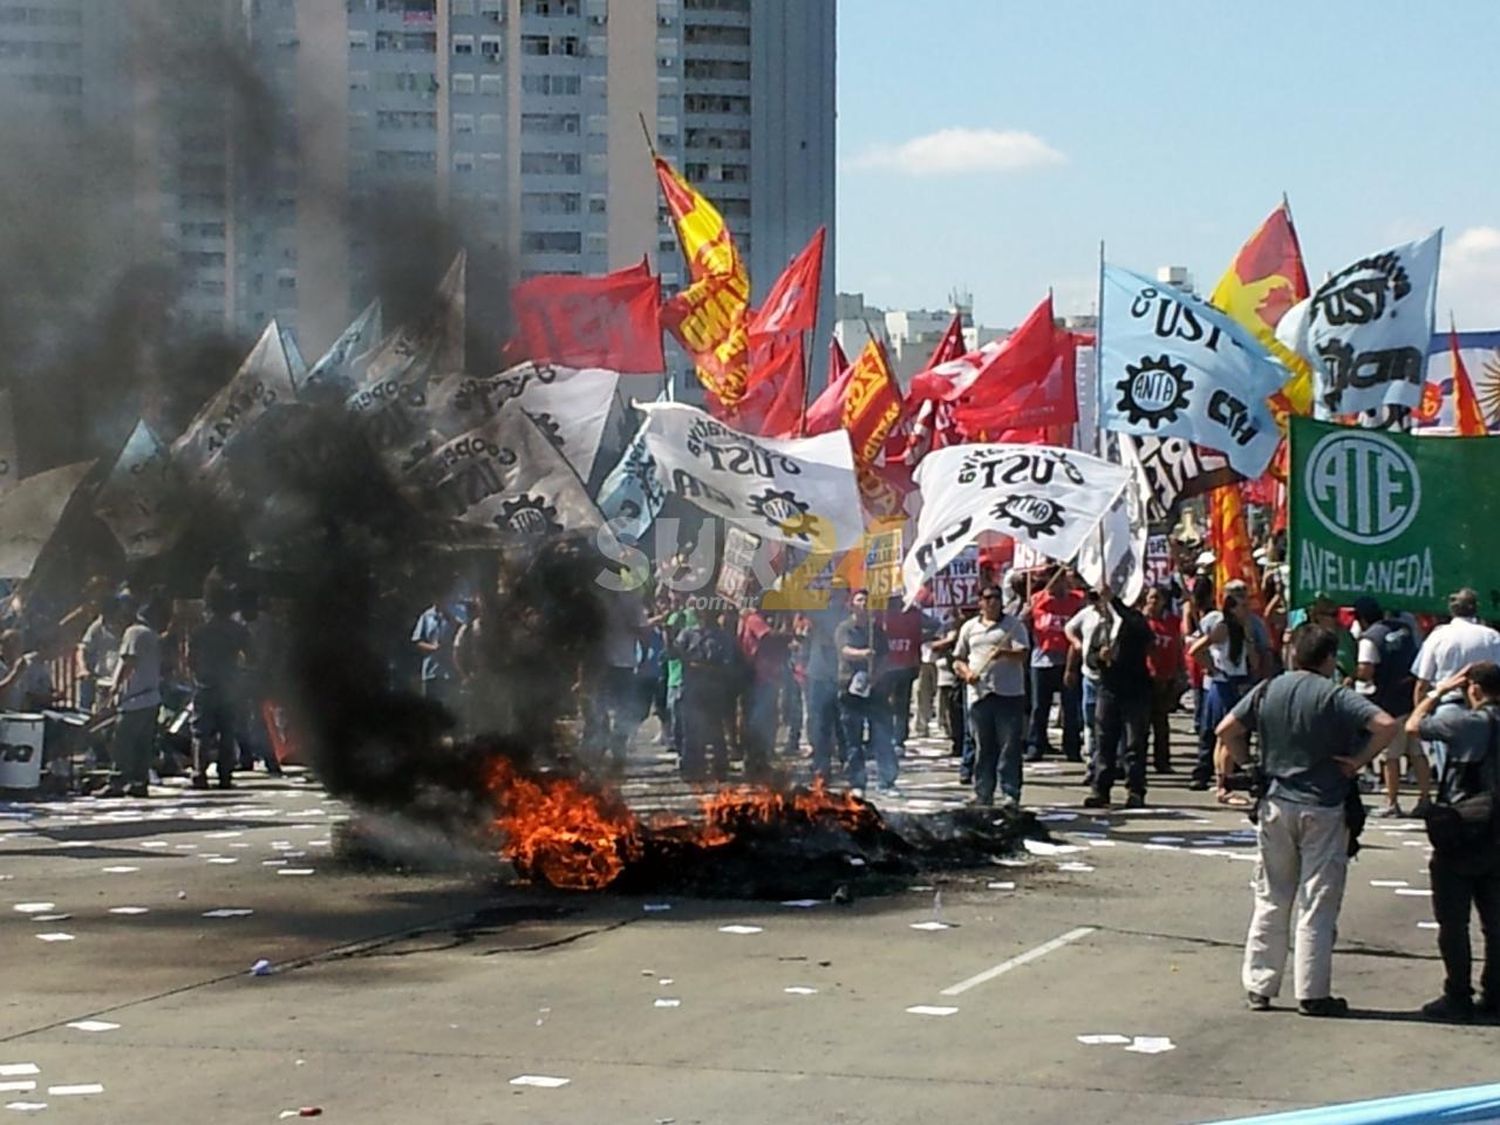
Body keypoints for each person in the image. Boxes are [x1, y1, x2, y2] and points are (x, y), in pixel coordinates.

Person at [1217, 625, 1399, 1017]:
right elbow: (1386, 725)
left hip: (1275, 803)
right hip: (1324, 805)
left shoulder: (1268, 690)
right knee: (1317, 901)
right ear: (1329, 659)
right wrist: (1358, 761)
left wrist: (1250, 766)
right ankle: (1312, 991)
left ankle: (1259, 985)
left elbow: (1227, 730)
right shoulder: (1334, 695)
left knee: (1271, 895)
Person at [1404, 661, 1500, 1021]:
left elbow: (1414, 726)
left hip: (1462, 830)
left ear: (1473, 688)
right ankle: (1495, 993)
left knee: (1454, 922)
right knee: (1495, 922)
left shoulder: (1466, 722)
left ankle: (1457, 994)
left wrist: (1439, 691)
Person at [954, 585, 1029, 808]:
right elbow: (958, 658)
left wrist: (1005, 652)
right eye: (988, 598)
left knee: (1009, 747)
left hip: (1008, 694)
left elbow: (1023, 654)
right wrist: (966, 673)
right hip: (980, 696)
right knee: (983, 747)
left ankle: (1010, 794)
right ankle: (983, 792)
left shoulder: (1013, 626)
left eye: (996, 598)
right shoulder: (969, 628)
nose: (993, 602)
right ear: (980, 602)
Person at [1353, 596, 1425, 818]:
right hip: (1411, 698)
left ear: (1361, 618)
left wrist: (1351, 675)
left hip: (1389, 703)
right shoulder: (1404, 628)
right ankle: (1426, 800)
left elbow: (1365, 671)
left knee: (1390, 755)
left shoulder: (1369, 639)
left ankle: (1392, 803)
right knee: (1416, 752)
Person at [1085, 589, 1154, 810]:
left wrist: (1114, 600)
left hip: (1135, 689)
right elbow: (1090, 658)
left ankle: (1135, 790)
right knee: (1104, 740)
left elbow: (1144, 635)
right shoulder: (1102, 628)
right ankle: (1101, 789)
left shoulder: (1134, 621)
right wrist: (1099, 658)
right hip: (1109, 689)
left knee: (1134, 743)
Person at [1188, 592, 1255, 792]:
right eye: (1242, 606)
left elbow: (1253, 659)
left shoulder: (1242, 628)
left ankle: (1223, 782)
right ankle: (1224, 784)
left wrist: (1249, 637)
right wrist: (1213, 668)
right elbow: (1195, 650)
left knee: (1229, 737)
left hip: (1240, 680)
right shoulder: (1223, 627)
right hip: (1225, 683)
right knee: (1228, 735)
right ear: (1232, 608)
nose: (1246, 610)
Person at [189, 582, 252, 790]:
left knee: (201, 733)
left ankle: (199, 774)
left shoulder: (199, 631)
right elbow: (252, 657)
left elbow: (190, 659)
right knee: (228, 731)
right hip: (230, 687)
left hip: (205, 685)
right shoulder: (239, 630)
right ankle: (225, 775)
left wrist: (197, 675)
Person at [102, 596, 164, 799]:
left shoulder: (133, 632)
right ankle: (139, 781)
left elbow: (128, 662)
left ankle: (117, 780)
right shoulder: (151, 633)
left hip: (135, 698)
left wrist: (114, 688)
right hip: (151, 697)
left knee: (122, 741)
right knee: (142, 744)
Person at [835, 589, 895, 796]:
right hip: (850, 690)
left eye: (867, 600)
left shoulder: (877, 630)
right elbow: (844, 651)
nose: (864, 603)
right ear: (851, 604)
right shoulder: (844, 628)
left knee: (882, 735)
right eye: (860, 600)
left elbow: (886, 658)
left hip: (875, 690)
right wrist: (864, 654)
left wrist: (875, 676)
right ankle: (857, 783)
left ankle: (887, 781)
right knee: (854, 738)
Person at [1025, 569, 1085, 763]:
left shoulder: (1076, 600)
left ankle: (1072, 747)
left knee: (1070, 707)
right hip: (1041, 660)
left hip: (1068, 660)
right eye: (1048, 580)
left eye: (1056, 579)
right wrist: (1025, 614)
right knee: (1039, 707)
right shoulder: (1037, 599)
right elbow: (1023, 626)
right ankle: (1036, 746)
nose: (1052, 584)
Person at [676, 608, 736, 781]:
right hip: (692, 689)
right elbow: (675, 654)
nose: (703, 617)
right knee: (691, 730)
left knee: (716, 730)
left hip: (714, 689)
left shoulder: (723, 637)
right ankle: (692, 768)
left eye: (706, 614)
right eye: (700, 614)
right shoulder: (687, 633)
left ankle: (720, 767)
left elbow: (727, 664)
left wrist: (703, 667)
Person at [1144, 585, 1183, 774]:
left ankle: (1162, 762)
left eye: (1157, 598)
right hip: (1143, 679)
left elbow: (1178, 648)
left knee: (1161, 724)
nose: (1153, 602)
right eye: (1150, 598)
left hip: (1165, 678)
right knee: (1140, 725)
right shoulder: (1141, 621)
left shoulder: (1173, 622)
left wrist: (1179, 673)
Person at [881, 599, 925, 755]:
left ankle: (898, 740)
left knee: (901, 705)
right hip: (884, 668)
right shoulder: (879, 613)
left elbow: (927, 629)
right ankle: (884, 738)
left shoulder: (913, 613)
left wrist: (917, 659)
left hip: (905, 666)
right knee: (884, 705)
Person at [78, 595, 126, 716]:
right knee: (102, 715)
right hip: (103, 680)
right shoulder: (97, 626)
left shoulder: (130, 626)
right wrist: (83, 669)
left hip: (125, 680)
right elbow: (82, 649)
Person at [411, 594, 457, 705]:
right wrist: (432, 647)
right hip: (430, 670)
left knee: (448, 705)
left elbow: (458, 641)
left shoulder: (453, 618)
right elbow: (417, 640)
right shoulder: (426, 617)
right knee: (429, 705)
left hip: (448, 672)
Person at [0, 628, 54, 711]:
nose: (12, 649)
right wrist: (15, 674)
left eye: (16, 645)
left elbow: (25, 697)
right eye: (8, 645)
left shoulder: (24, 667)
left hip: (16, 716)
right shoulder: (3, 667)